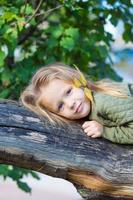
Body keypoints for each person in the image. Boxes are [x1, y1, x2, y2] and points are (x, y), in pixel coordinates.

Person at [20, 63, 133, 144]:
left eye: (68, 92)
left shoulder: (104, 102)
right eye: (60, 106)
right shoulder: (92, 107)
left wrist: (105, 131)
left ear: (78, 81)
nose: (70, 104)